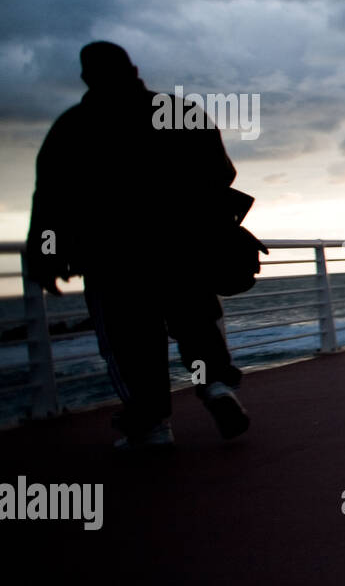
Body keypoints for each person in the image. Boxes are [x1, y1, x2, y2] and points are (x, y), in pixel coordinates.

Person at [25, 42, 250, 449]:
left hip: (112, 258)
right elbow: (221, 174)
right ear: (134, 68)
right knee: (194, 326)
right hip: (183, 250)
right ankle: (214, 386)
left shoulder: (74, 126)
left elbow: (50, 198)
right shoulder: (178, 111)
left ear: (86, 78)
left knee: (132, 344)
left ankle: (153, 424)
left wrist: (44, 256)